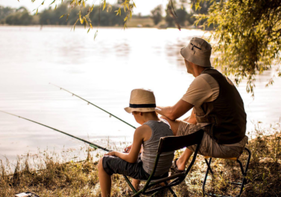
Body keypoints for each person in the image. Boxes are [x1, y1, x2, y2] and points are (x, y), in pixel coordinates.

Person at [155, 37, 248, 173]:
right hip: (236, 141)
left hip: (225, 145)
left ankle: (154, 171)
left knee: (166, 123)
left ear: (190, 60)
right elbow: (192, 120)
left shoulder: (203, 81)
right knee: (192, 124)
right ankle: (180, 162)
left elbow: (172, 113)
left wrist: (151, 108)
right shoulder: (217, 77)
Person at [97, 89, 174, 197]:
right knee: (139, 154)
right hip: (164, 172)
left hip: (147, 173)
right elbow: (154, 145)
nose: (133, 116)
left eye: (133, 113)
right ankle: (133, 188)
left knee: (104, 162)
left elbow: (131, 159)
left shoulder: (141, 130)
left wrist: (115, 153)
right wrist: (138, 148)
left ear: (140, 112)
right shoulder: (166, 125)